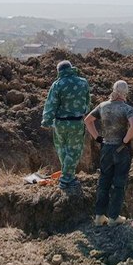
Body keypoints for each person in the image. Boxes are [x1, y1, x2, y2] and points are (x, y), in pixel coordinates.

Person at [84, 80, 133, 226]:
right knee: (119, 184)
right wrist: (126, 141)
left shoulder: (102, 106)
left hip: (106, 148)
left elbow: (88, 120)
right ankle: (114, 217)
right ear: (125, 93)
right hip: (121, 150)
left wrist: (97, 138)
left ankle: (99, 216)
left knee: (104, 182)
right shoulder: (127, 109)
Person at [41, 60, 91, 195]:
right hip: (76, 123)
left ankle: (67, 177)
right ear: (71, 68)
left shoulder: (57, 84)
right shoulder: (83, 82)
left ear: (59, 71)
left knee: (62, 149)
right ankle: (67, 178)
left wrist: (46, 121)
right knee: (73, 151)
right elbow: (88, 104)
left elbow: (51, 104)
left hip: (60, 123)